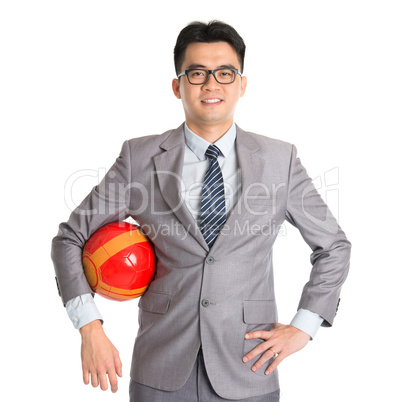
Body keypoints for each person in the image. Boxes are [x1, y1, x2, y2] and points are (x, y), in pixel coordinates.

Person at [51, 20, 351, 402]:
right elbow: (69, 238)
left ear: (242, 84)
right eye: (197, 73)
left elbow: (334, 247)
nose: (211, 84)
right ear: (177, 85)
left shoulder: (280, 160)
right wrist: (89, 327)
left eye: (225, 73)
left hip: (250, 368)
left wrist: (304, 327)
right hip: (160, 367)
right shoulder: (139, 157)